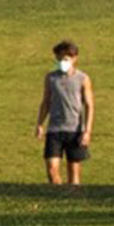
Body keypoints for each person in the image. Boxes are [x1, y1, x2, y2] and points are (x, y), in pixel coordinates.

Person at [36, 40, 95, 186]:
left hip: (74, 131)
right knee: (51, 168)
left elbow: (89, 105)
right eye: (60, 58)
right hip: (54, 130)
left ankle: (72, 199)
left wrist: (87, 131)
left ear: (74, 59)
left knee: (74, 172)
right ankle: (58, 194)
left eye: (66, 59)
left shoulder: (82, 78)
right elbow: (46, 102)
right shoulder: (51, 78)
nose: (63, 61)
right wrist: (40, 124)